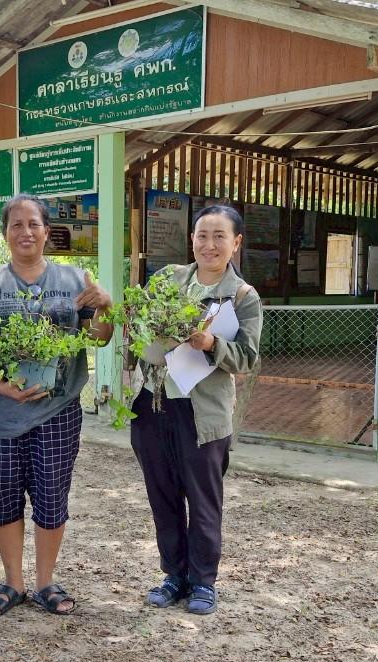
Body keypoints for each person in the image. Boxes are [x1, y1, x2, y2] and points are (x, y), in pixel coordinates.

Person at [0, 195, 113, 617]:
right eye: (16, 225)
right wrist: (3, 387)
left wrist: (105, 304)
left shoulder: (73, 278)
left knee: (51, 496)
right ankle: (13, 582)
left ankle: (46, 582)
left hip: (57, 411)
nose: (25, 232)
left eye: (33, 224)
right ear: (5, 233)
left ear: (47, 231)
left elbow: (99, 338)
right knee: (2, 496)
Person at [130, 204, 262, 616]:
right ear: (192, 240)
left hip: (203, 415)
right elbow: (138, 325)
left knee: (204, 501)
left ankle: (203, 581)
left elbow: (248, 357)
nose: (209, 244)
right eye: (202, 235)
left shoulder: (242, 296)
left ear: (236, 243)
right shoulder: (168, 280)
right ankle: (174, 575)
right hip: (154, 404)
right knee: (163, 496)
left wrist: (212, 345)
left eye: (220, 236)